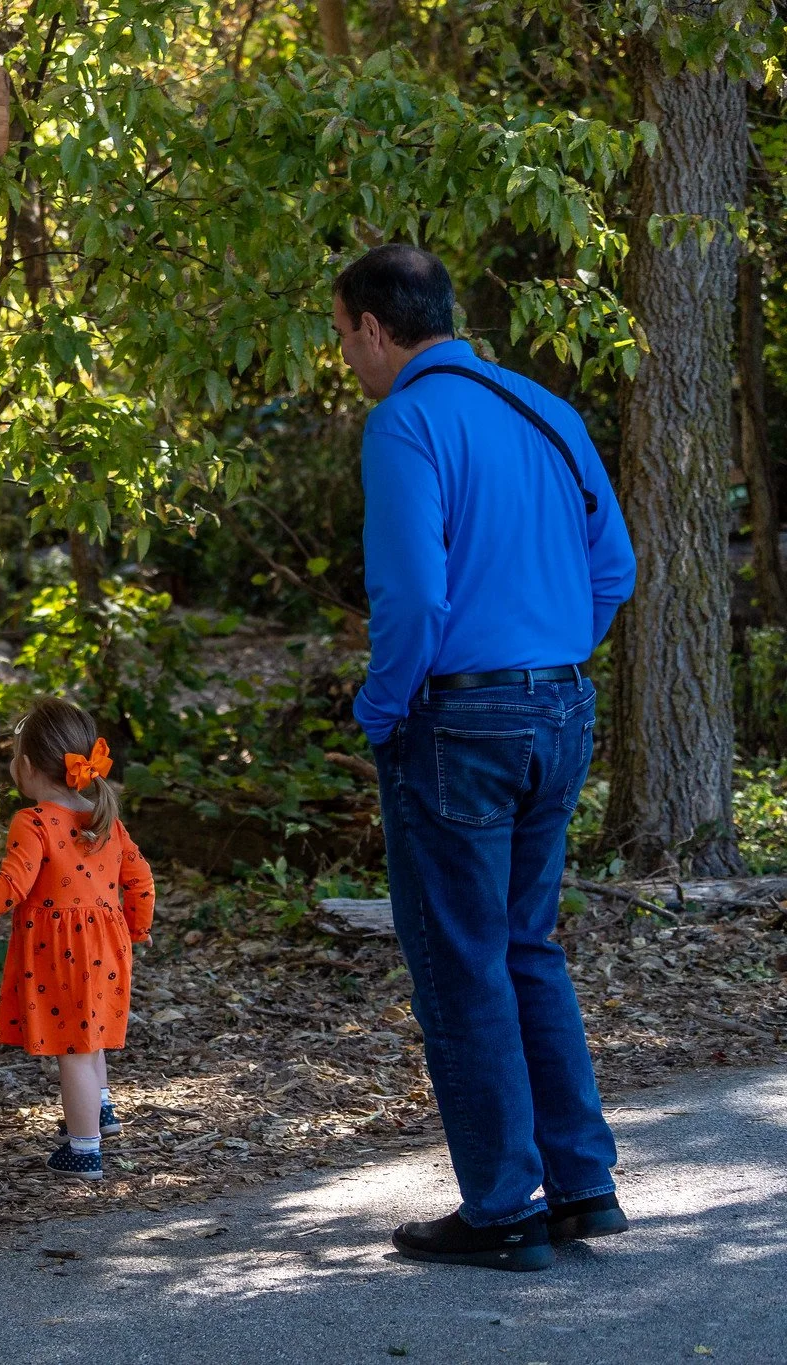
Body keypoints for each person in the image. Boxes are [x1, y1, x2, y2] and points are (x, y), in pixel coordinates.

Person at [333, 244, 638, 1270]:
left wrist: (381, 707)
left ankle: (503, 1208)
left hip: (455, 721)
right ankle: (580, 1187)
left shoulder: (405, 422)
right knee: (525, 947)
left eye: (342, 336)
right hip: (555, 707)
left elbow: (413, 598)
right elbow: (615, 567)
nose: (345, 357)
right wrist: (545, 651)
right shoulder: (545, 410)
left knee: (462, 964)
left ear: (374, 327)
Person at [0, 698, 155, 1179]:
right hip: (109, 946)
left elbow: (10, 887)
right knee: (90, 1041)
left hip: (61, 954)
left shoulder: (34, 822)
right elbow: (142, 880)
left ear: (25, 766)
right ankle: (101, 1112)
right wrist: (137, 927)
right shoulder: (105, 819)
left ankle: (83, 1150)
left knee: (73, 1050)